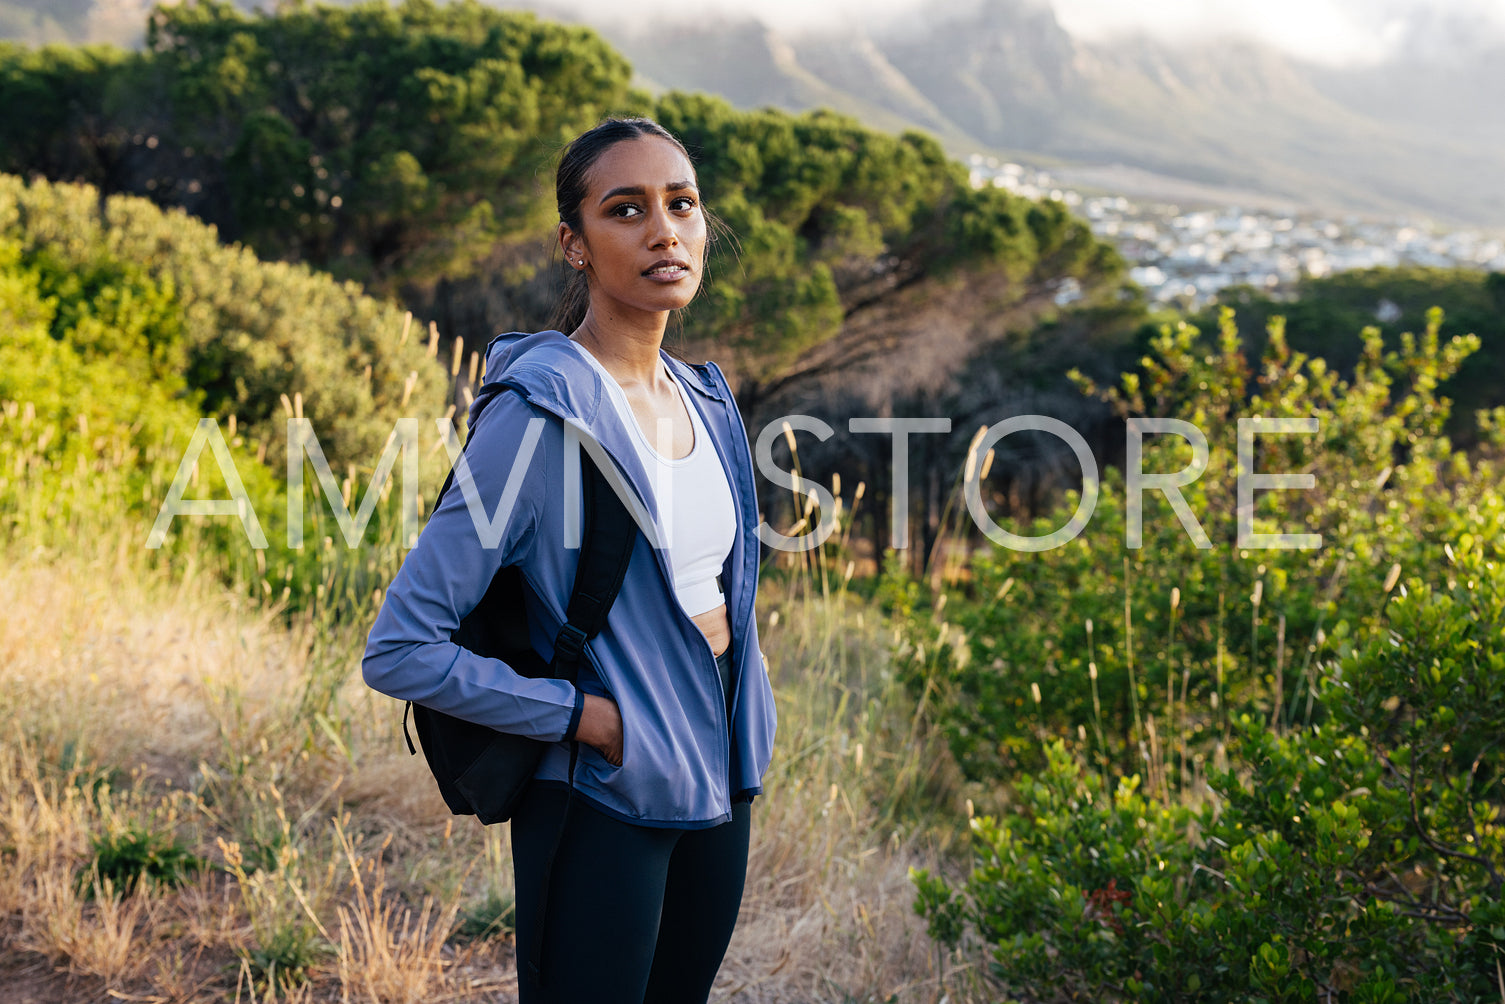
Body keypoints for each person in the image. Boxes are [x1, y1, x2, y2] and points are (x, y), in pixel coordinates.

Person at [361, 116, 777, 1004]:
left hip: (723, 770)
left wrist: (749, 718)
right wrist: (579, 718)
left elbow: (718, 595)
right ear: (573, 244)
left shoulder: (707, 403)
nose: (664, 230)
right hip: (604, 789)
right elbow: (400, 648)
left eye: (683, 204)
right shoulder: (538, 418)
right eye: (625, 210)